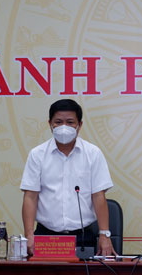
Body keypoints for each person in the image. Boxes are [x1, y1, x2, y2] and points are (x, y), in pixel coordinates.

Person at [20, 99, 115, 256]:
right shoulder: (37, 154)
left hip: (83, 237)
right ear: (50, 123)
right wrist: (29, 235)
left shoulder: (93, 154)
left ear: (80, 125)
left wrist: (105, 235)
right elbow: (30, 197)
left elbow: (99, 196)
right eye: (58, 121)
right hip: (46, 237)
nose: (64, 127)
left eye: (70, 122)